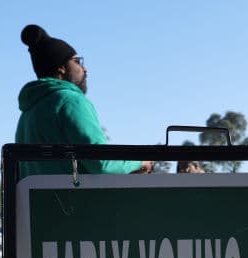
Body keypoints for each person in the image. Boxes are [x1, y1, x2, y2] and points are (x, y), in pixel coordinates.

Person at [16, 24, 153, 178]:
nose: (85, 69)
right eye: (77, 61)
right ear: (61, 68)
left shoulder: (28, 112)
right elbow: (101, 163)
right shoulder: (70, 101)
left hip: (35, 202)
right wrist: (139, 162)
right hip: (73, 201)